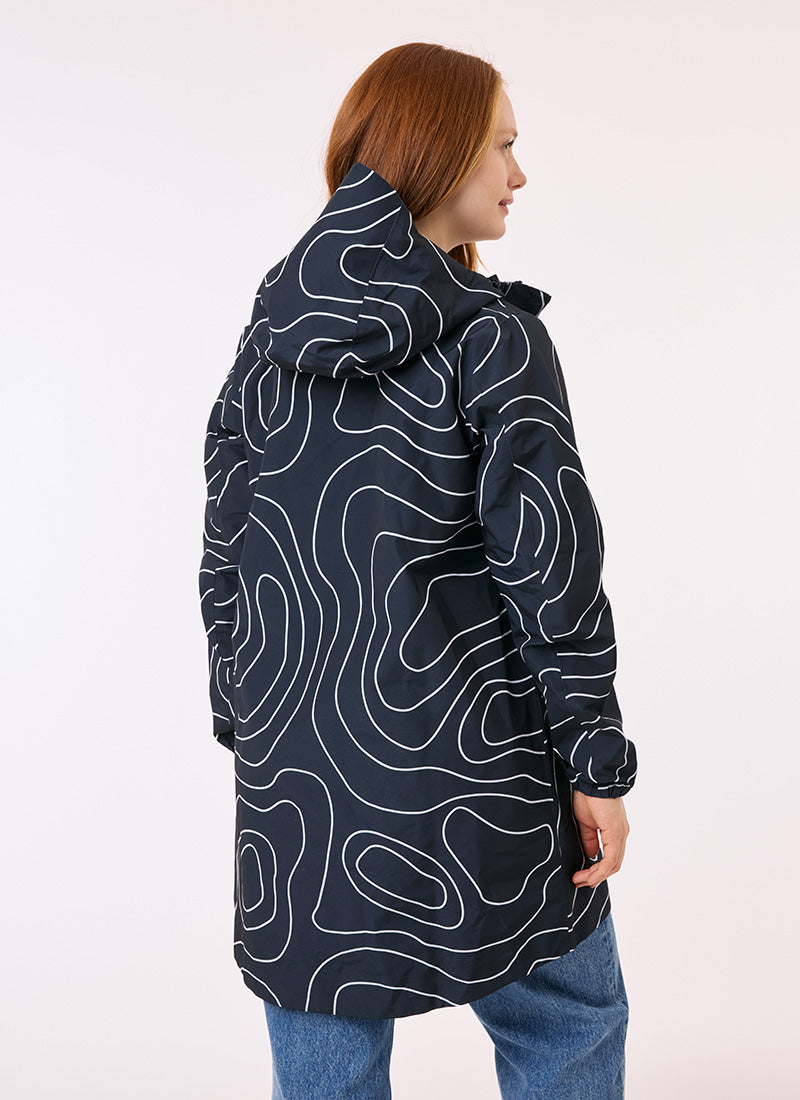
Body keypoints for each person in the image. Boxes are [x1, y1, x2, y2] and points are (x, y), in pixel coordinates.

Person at [199, 41, 637, 1100]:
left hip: (299, 784)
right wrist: (595, 761)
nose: (519, 174)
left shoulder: (267, 342)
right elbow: (550, 573)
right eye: (501, 146)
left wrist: (247, 718)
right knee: (568, 1017)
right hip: (478, 767)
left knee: (325, 1043)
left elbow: (224, 547)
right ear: (437, 152)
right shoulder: (493, 341)